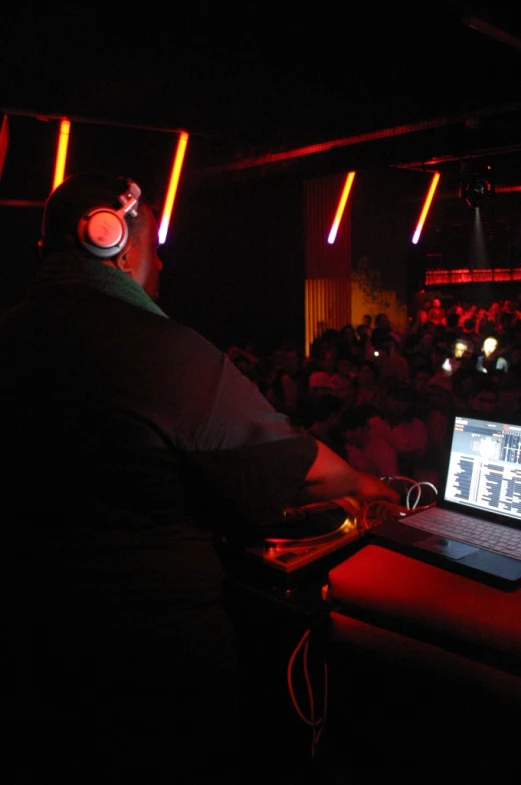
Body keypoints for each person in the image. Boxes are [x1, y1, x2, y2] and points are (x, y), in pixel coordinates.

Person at [0, 172, 398, 784]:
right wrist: (369, 487)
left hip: (31, 657)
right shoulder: (162, 350)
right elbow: (300, 472)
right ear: (113, 241)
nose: (158, 261)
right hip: (152, 672)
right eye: (152, 243)